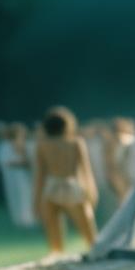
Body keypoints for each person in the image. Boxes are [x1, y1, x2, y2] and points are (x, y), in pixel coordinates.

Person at [32, 106, 98, 252]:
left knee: (55, 240)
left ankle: (57, 258)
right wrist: (91, 192)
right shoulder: (76, 142)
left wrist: (36, 202)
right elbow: (86, 171)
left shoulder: (42, 145)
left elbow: (40, 177)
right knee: (90, 236)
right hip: (73, 187)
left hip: (51, 188)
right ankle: (97, 254)